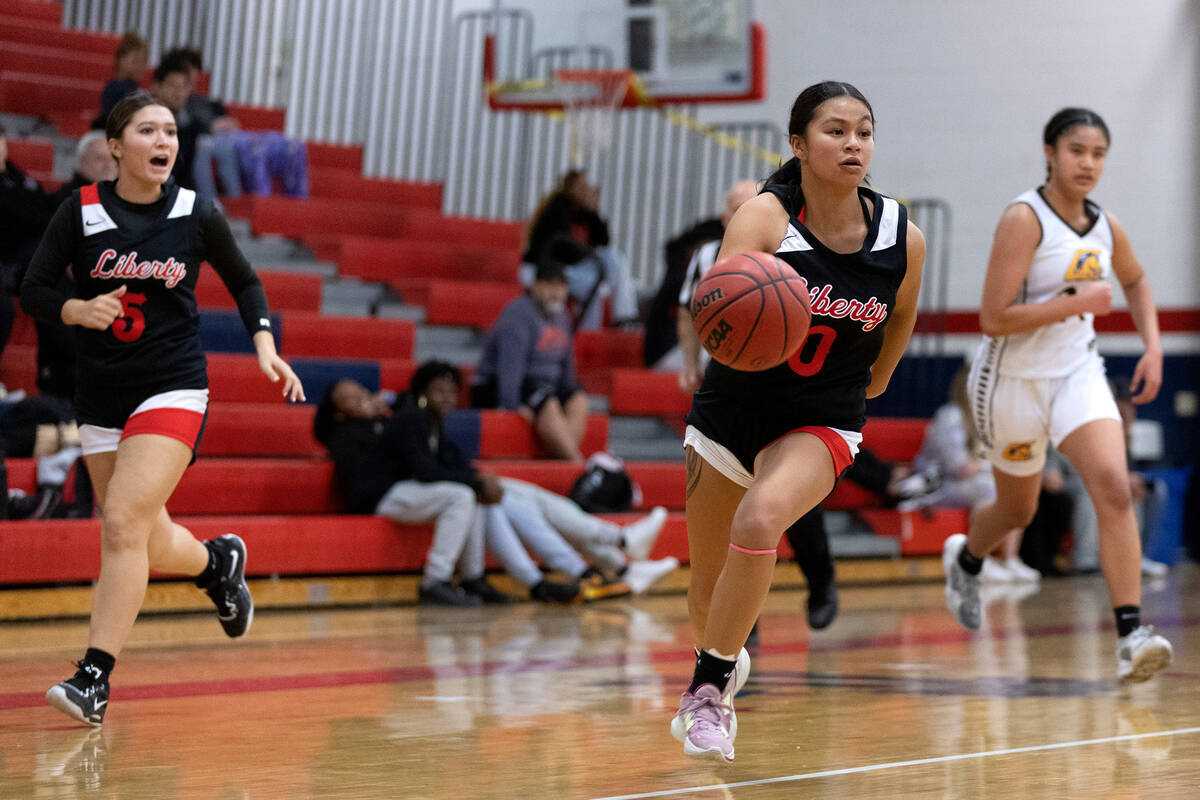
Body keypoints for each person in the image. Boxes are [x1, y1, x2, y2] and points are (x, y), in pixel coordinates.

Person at [21, 91, 305, 727]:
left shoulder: (194, 212)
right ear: (116, 148)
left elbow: (245, 282)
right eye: (148, 130)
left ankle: (93, 677)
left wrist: (265, 345)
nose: (164, 141)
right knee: (145, 537)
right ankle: (217, 563)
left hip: (173, 385)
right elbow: (33, 290)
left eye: (171, 131)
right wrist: (76, 309)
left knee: (120, 522)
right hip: (100, 396)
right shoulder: (81, 211)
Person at [671, 81, 924, 762]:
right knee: (706, 588)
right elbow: (722, 312)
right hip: (733, 414)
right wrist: (762, 314)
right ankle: (720, 657)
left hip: (823, 420)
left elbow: (899, 316)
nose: (853, 144)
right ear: (798, 145)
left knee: (760, 521)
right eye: (836, 130)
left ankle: (706, 693)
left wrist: (877, 381)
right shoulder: (763, 218)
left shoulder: (904, 236)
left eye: (864, 132)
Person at [942, 107, 1172, 684]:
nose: (1087, 163)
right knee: (1018, 507)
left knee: (1115, 488)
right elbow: (993, 318)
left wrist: (1153, 346)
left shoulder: (1105, 224)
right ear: (1050, 153)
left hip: (1076, 373)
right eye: (1077, 151)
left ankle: (1130, 634)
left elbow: (1136, 279)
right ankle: (967, 558)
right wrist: (1076, 303)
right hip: (1011, 382)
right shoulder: (1025, 218)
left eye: (1097, 154)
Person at [316, 372, 678, 602]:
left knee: (527, 496)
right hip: (388, 496)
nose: (362, 395)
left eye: (361, 389)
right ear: (338, 412)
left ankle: (619, 558)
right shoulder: (352, 434)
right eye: (350, 396)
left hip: (419, 489)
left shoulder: (407, 422)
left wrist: (479, 479)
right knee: (475, 495)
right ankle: (612, 551)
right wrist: (476, 481)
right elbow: (417, 471)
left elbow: (441, 464)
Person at [903, 365, 1041, 583]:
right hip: (939, 487)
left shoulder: (988, 419)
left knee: (1016, 490)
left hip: (967, 482)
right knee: (989, 488)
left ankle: (1011, 559)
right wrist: (993, 466)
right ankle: (979, 560)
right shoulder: (950, 416)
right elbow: (960, 467)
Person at [471, 260, 589, 462]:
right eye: (550, 285)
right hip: (497, 385)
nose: (556, 292)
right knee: (548, 402)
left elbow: (567, 361)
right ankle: (576, 462)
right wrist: (512, 404)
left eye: (561, 286)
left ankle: (567, 456)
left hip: (543, 386)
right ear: (535, 285)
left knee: (579, 399)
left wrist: (568, 391)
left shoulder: (563, 316)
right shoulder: (518, 315)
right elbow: (510, 365)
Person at [668, 179, 760, 387]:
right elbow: (687, 310)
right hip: (718, 363)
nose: (747, 216)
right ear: (725, 219)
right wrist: (690, 365)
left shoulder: (785, 253)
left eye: (754, 207)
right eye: (739, 209)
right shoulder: (706, 255)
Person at [523, 170, 639, 329]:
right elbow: (559, 247)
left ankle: (624, 317)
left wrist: (594, 210)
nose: (586, 189)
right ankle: (588, 330)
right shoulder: (557, 208)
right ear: (570, 188)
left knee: (616, 258)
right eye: (581, 186)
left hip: (578, 267)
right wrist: (588, 256)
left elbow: (603, 242)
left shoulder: (585, 213)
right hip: (553, 266)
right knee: (592, 284)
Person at [95, 32, 148, 128]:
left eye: (144, 61)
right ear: (120, 59)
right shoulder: (114, 88)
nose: (141, 66)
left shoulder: (136, 89)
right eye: (135, 61)